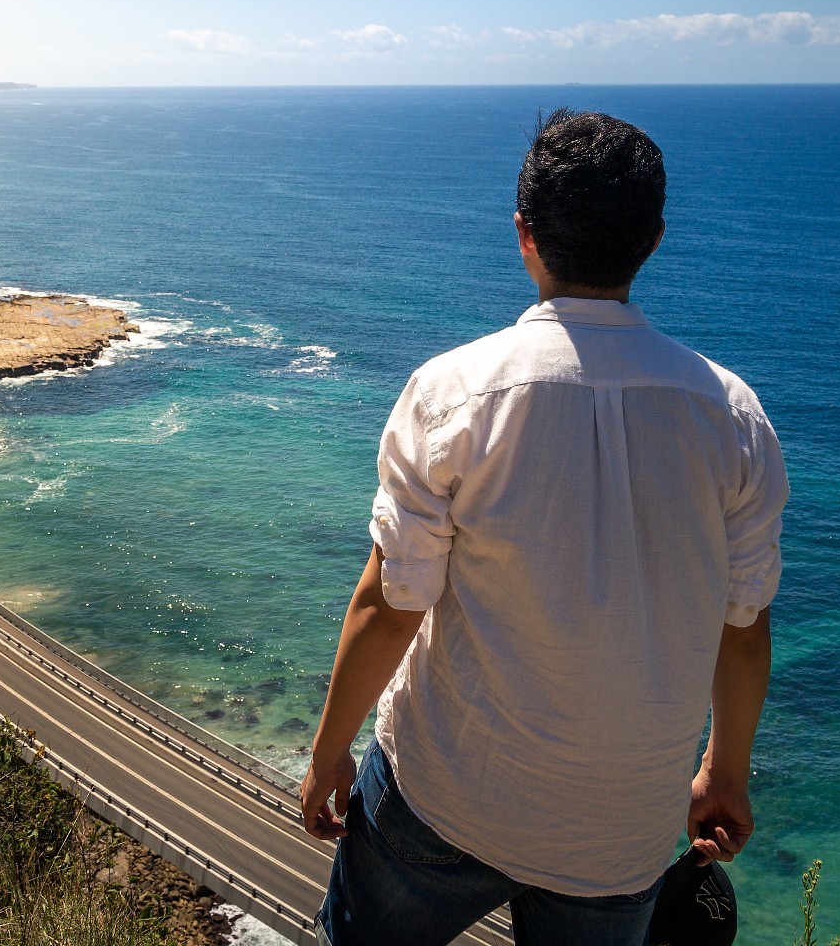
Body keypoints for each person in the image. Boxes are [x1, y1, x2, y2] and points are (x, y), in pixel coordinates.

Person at [302, 110, 785, 946]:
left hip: (442, 795)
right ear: (655, 240)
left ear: (523, 233)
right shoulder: (732, 418)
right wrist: (723, 775)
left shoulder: (452, 393)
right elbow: (743, 632)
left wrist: (326, 754)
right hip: (618, 835)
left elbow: (392, 603)